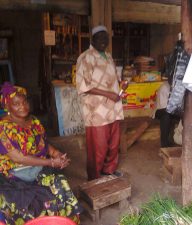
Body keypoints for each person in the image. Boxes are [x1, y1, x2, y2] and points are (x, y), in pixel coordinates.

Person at [0, 82, 82, 225]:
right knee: (26, 201)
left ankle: (64, 221)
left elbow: (43, 144)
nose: (23, 106)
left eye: (24, 101)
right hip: (15, 173)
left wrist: (56, 153)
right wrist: (50, 162)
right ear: (7, 106)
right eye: (16, 104)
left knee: (60, 183)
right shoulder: (3, 128)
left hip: (37, 168)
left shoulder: (34, 122)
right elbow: (19, 157)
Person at [76, 25, 128, 181]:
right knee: (98, 146)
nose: (103, 41)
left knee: (113, 144)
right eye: (100, 37)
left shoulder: (108, 56)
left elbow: (110, 79)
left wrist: (121, 83)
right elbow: (83, 86)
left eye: (106, 38)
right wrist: (108, 94)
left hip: (113, 109)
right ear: (92, 39)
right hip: (96, 110)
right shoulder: (85, 58)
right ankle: (94, 177)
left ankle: (108, 171)